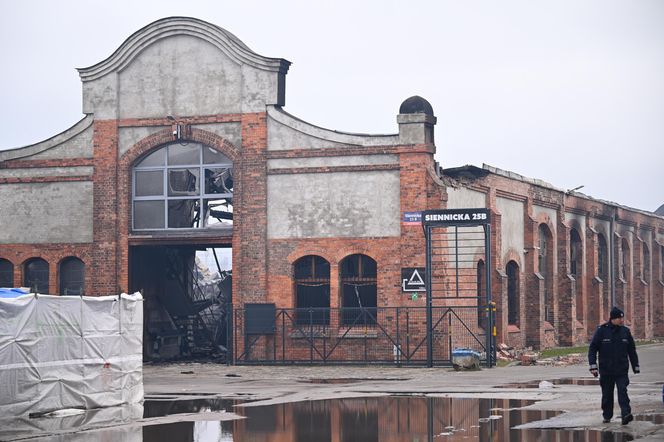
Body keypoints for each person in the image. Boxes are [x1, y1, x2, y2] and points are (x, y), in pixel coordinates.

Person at [588, 306, 640, 425]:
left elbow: (631, 350)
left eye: (622, 318)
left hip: (621, 370)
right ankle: (607, 415)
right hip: (606, 370)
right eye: (619, 318)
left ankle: (626, 414)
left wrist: (635, 366)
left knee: (623, 391)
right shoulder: (602, 331)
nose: (622, 321)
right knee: (607, 395)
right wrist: (593, 366)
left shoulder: (625, 332)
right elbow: (592, 349)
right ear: (613, 319)